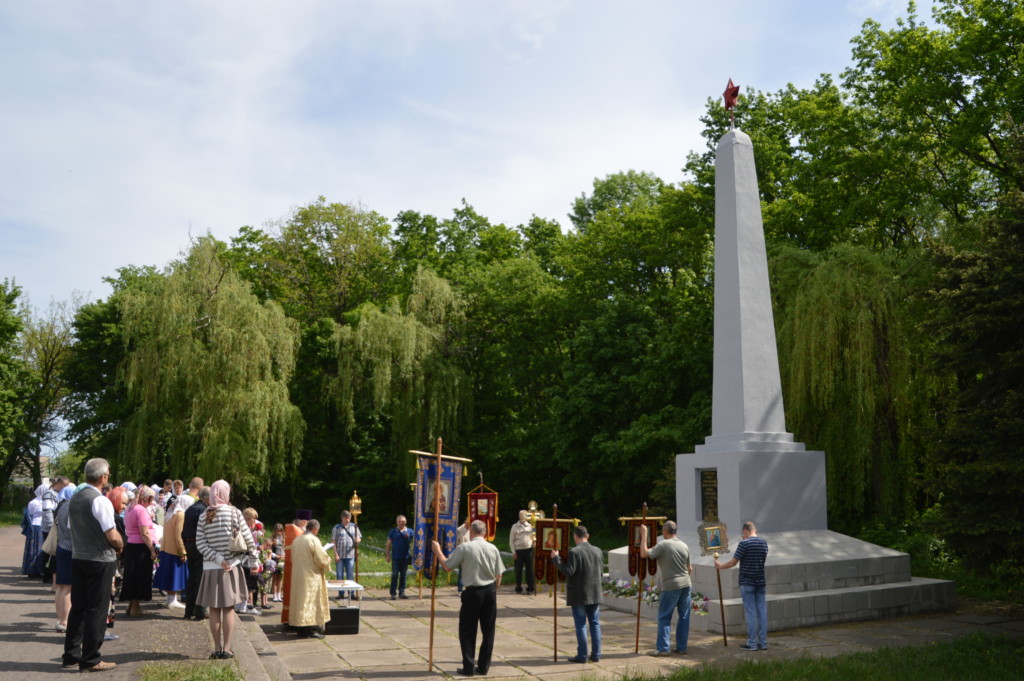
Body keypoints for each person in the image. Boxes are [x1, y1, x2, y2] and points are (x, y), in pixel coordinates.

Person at [61, 458, 123, 673]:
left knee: (78, 608)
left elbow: (71, 528)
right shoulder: (100, 500)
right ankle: (91, 658)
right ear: (103, 477)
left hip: (78, 558)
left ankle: (71, 655)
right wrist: (120, 545)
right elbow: (112, 535)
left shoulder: (75, 498)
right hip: (99, 560)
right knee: (97, 609)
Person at [431, 520, 505, 677]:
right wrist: (493, 591)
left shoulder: (465, 547)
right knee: (489, 631)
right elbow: (499, 575)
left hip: (473, 593)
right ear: (484, 532)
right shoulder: (493, 548)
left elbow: (447, 566)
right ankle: (484, 667)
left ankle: (469, 667)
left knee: (467, 631)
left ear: (471, 532)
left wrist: (438, 551)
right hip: (490, 592)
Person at [196, 479, 259, 659]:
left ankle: (216, 649)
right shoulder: (234, 513)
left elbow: (200, 544)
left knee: (214, 609)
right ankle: (227, 648)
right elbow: (248, 539)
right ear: (226, 493)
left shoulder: (203, 515)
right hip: (231, 567)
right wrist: (254, 562)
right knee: (229, 609)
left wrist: (217, 558)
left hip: (210, 567)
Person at [551, 525, 603, 663]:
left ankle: (582, 655)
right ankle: (596, 654)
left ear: (575, 536)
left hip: (579, 594)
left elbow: (568, 571)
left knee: (581, 624)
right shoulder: (598, 551)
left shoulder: (575, 552)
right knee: (595, 623)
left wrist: (557, 559)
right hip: (595, 592)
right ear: (588, 535)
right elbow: (601, 572)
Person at [640, 520, 693, 657]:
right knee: (684, 617)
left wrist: (644, 535)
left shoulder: (663, 545)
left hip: (671, 585)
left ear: (665, 531)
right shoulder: (684, 545)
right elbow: (690, 568)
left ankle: (663, 648)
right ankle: (682, 647)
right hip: (686, 584)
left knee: (664, 617)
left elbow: (644, 554)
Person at [715, 521, 769, 651]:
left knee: (750, 613)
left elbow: (733, 562)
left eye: (743, 533)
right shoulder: (764, 543)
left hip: (747, 582)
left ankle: (752, 643)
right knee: (762, 612)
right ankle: (763, 642)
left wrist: (720, 566)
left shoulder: (744, 543)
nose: (742, 536)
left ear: (745, 531)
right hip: (760, 581)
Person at [289, 518, 331, 638]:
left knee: (301, 602)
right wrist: (328, 561)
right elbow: (320, 558)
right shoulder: (313, 540)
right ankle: (310, 630)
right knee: (310, 602)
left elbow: (292, 558)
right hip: (310, 577)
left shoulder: (296, 540)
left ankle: (301, 630)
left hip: (298, 576)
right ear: (314, 529)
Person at [121, 485, 158, 617]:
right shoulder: (141, 510)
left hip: (131, 545)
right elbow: (145, 532)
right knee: (139, 577)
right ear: (145, 498)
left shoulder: (130, 508)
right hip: (141, 548)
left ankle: (131, 605)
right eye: (150, 499)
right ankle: (135, 607)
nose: (151, 502)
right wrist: (152, 550)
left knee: (132, 576)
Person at [153, 493, 192, 609]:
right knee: (175, 576)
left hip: (166, 548)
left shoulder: (170, 513)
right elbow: (178, 535)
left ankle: (170, 599)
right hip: (175, 549)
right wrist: (182, 551)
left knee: (169, 576)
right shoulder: (181, 515)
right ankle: (172, 600)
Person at [181, 486, 209, 621]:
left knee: (192, 579)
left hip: (189, 544)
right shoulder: (204, 510)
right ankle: (200, 612)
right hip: (200, 546)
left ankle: (189, 611)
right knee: (200, 580)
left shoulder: (190, 509)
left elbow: (183, 530)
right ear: (206, 498)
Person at [280, 510, 311, 626]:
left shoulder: (294, 531)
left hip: (293, 567)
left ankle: (290, 619)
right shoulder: (298, 532)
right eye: (307, 522)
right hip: (297, 569)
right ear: (304, 522)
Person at [53, 484, 76, 632]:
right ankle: (65, 621)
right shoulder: (71, 509)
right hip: (69, 549)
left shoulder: (61, 507)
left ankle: (60, 618)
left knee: (61, 586)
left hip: (61, 547)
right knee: (68, 587)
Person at [330, 510, 361, 600]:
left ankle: (351, 593)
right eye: (345, 518)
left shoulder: (354, 527)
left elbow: (359, 537)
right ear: (342, 518)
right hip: (340, 555)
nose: (347, 520)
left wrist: (357, 540)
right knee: (339, 575)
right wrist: (335, 554)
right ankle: (341, 593)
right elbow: (333, 542)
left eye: (349, 518)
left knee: (350, 575)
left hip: (350, 555)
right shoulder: (336, 528)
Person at [385, 515, 413, 600]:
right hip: (396, 557)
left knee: (403, 575)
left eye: (403, 521)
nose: (401, 523)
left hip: (405, 557)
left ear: (406, 522)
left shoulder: (410, 531)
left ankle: (402, 592)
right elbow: (388, 544)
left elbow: (417, 541)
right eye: (399, 521)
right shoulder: (393, 532)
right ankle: (393, 593)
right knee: (395, 574)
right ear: (397, 522)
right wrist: (387, 555)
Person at [509, 510, 536, 595]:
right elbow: (511, 540)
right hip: (518, 551)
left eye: (524, 515)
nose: (523, 517)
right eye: (521, 515)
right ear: (519, 516)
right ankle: (518, 587)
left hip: (529, 550)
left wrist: (534, 542)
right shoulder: (514, 526)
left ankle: (530, 588)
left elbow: (534, 537)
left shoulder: (531, 526)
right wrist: (513, 552)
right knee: (518, 570)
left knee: (530, 570)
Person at [22, 484, 46, 578]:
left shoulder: (47, 501)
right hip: (36, 526)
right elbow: (30, 515)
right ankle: (31, 570)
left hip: (43, 526)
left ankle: (40, 570)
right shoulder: (34, 502)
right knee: (34, 549)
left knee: (41, 549)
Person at [270, 523, 285, 602]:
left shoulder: (284, 539)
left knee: (280, 578)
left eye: (280, 531)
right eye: (277, 531)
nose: (279, 533)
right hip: (275, 559)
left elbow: (285, 549)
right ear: (274, 531)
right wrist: (275, 556)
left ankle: (279, 595)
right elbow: (269, 550)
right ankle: (274, 595)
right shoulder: (272, 539)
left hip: (282, 560)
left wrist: (284, 556)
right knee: (275, 578)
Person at [456, 516, 471, 592]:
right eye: (468, 525)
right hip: (463, 552)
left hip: (471, 553)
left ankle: (469, 587)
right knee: (462, 571)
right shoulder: (459, 530)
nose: (469, 527)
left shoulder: (472, 530)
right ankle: (460, 589)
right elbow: (457, 542)